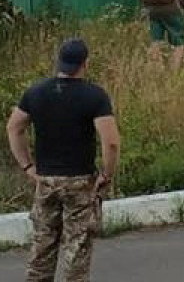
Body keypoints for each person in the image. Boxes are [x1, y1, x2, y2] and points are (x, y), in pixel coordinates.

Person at [7, 39, 120, 282]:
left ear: (59, 62)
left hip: (46, 180)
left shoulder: (36, 92)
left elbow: (14, 128)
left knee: (42, 248)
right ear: (85, 64)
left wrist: (27, 166)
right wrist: (106, 174)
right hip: (80, 181)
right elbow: (110, 142)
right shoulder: (95, 96)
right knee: (76, 250)